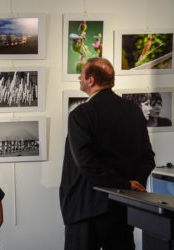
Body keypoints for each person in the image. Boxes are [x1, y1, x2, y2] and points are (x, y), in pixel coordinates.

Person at [59, 57, 155, 250]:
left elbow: (85, 162)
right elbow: (147, 157)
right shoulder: (134, 111)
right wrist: (130, 187)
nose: (79, 77)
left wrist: (123, 184)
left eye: (82, 74)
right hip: (122, 207)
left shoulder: (81, 114)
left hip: (85, 207)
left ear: (91, 80)